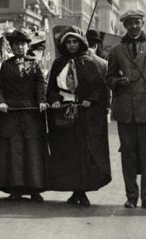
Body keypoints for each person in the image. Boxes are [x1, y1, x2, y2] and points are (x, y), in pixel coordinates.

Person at [46, 27, 111, 206]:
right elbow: (51, 88)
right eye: (68, 42)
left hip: (84, 114)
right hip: (63, 114)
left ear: (81, 43)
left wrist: (91, 99)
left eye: (75, 41)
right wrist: (55, 99)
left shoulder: (90, 62)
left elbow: (100, 88)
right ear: (64, 44)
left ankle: (81, 191)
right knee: (68, 152)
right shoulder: (58, 63)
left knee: (84, 153)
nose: (72, 45)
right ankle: (73, 189)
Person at [106, 9, 146, 211]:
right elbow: (109, 78)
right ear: (124, 26)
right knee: (128, 154)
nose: (134, 26)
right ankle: (131, 196)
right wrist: (118, 81)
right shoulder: (117, 50)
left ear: (142, 23)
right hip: (125, 109)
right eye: (129, 23)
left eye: (137, 23)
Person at [0, 29, 48, 202]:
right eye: (15, 44)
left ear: (27, 46)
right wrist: (1, 102)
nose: (19, 47)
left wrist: (41, 100)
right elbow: (0, 87)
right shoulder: (6, 65)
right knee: (14, 149)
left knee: (32, 150)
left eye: (22, 44)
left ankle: (35, 188)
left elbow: (41, 84)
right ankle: (15, 188)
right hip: (10, 113)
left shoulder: (35, 64)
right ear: (11, 47)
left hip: (31, 113)